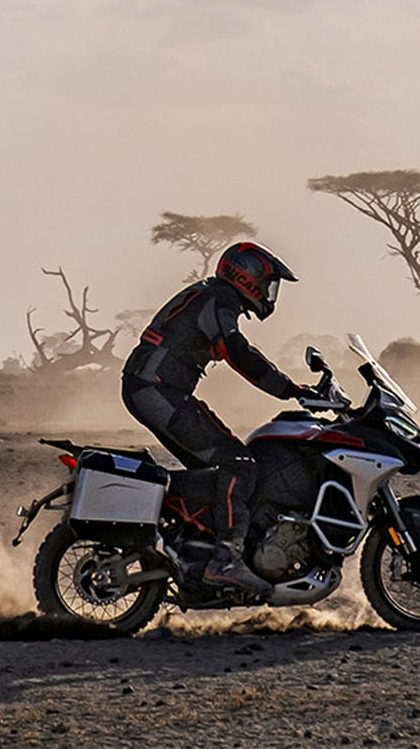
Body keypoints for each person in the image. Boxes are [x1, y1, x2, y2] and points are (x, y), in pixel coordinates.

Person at [122, 240, 302, 596]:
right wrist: (289, 389)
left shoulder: (213, 296)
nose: (270, 293)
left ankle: (195, 554)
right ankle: (226, 562)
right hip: (156, 389)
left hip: (156, 388)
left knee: (216, 472)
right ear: (247, 276)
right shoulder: (220, 299)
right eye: (268, 283)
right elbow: (237, 352)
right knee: (239, 463)